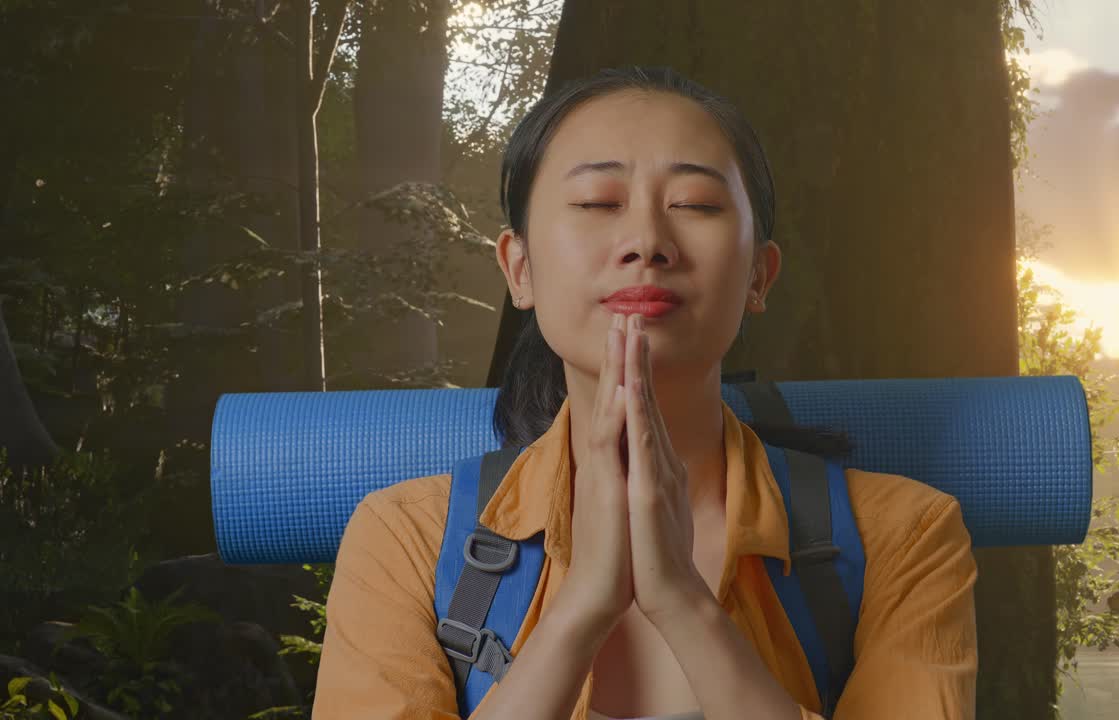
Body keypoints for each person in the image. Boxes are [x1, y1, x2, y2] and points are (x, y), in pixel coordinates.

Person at [313, 65, 978, 720]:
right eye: (598, 203)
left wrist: (682, 603)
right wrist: (583, 607)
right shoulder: (405, 537)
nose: (646, 242)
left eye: (695, 206)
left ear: (759, 276)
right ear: (520, 270)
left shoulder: (905, 534)